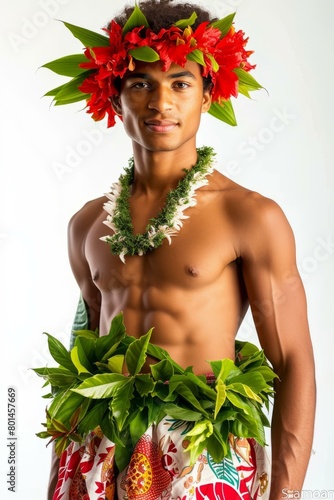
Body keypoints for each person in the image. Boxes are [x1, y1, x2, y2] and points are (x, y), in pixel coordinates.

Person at [43, 1, 316, 498]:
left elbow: (294, 360)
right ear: (115, 96)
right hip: (103, 447)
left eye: (180, 84)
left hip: (203, 450)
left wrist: (289, 493)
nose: (160, 103)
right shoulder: (87, 223)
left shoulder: (249, 216)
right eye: (141, 83)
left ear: (208, 95)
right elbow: (89, 342)